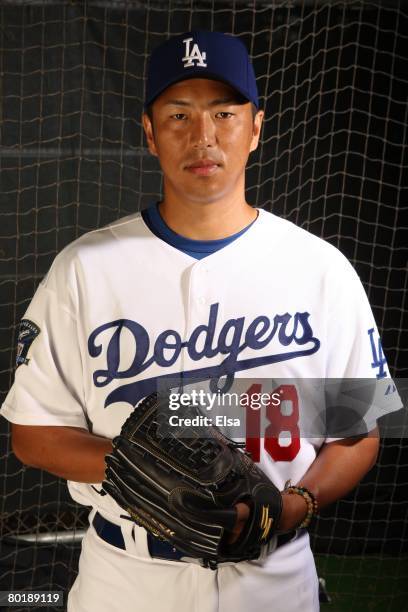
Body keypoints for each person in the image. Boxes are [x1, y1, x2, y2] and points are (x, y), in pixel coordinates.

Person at [1, 31, 402, 612]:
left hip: (274, 578)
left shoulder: (320, 269)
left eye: (224, 113)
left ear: (256, 128)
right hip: (127, 578)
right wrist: (130, 468)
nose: (203, 136)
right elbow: (32, 433)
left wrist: (298, 503)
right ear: (149, 133)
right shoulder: (83, 270)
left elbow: (357, 432)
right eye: (179, 115)